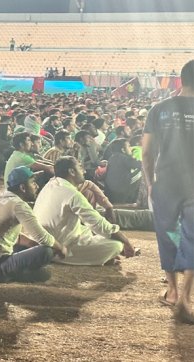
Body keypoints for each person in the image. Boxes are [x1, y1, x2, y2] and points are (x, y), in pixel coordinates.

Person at [143, 59, 194, 321]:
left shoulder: (159, 109)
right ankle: (186, 298)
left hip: (166, 182)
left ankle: (172, 292)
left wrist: (150, 183)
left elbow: (147, 152)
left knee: (167, 234)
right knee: (192, 237)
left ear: (181, 79)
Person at [0, 166, 66, 283]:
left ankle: (17, 271)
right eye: (33, 183)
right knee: (46, 252)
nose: (36, 186)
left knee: (33, 249)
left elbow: (4, 233)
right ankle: (12, 275)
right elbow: (42, 237)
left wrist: (30, 243)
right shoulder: (17, 204)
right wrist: (60, 248)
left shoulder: (0, 198)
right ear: (22, 187)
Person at [34, 157, 135, 266]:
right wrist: (126, 242)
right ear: (72, 172)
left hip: (46, 239)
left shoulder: (52, 183)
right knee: (116, 245)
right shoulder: (72, 194)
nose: (84, 171)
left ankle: (96, 254)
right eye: (80, 167)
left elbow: (89, 185)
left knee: (86, 229)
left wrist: (108, 206)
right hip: (58, 247)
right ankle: (82, 258)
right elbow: (100, 225)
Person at [104, 138, 142, 204]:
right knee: (142, 172)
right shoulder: (123, 158)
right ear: (123, 150)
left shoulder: (112, 158)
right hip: (121, 190)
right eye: (129, 146)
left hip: (110, 191)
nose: (131, 148)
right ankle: (136, 200)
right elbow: (140, 165)